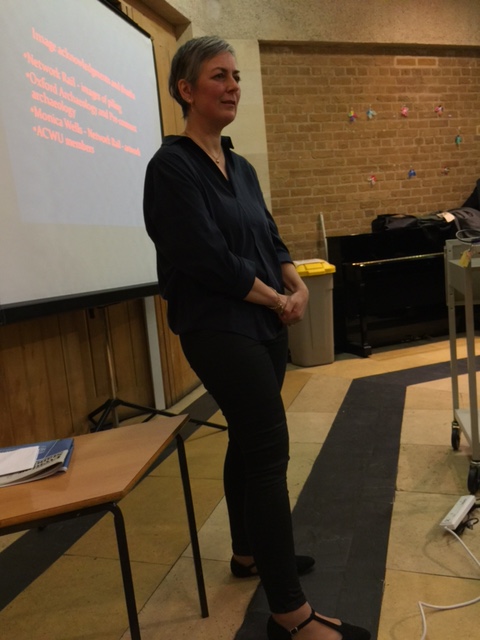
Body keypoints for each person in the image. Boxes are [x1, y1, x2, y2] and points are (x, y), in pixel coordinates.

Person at [143, 35, 370, 640]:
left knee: (247, 442)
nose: (233, 86)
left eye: (236, 76)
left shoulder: (238, 165)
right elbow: (208, 260)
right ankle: (290, 615)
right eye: (219, 76)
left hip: (264, 323)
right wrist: (276, 298)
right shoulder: (171, 167)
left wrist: (295, 284)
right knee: (269, 453)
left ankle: (248, 552)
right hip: (218, 329)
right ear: (186, 89)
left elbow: (268, 236)